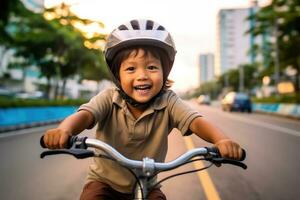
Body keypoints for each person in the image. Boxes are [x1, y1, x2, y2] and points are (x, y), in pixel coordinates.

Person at [42, 19, 243, 200]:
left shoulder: (169, 102)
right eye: (131, 69)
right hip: (104, 183)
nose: (142, 76)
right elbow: (84, 116)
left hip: (147, 183)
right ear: (117, 76)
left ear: (165, 72)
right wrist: (64, 131)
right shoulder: (108, 98)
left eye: (152, 67)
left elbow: (196, 121)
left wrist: (222, 141)